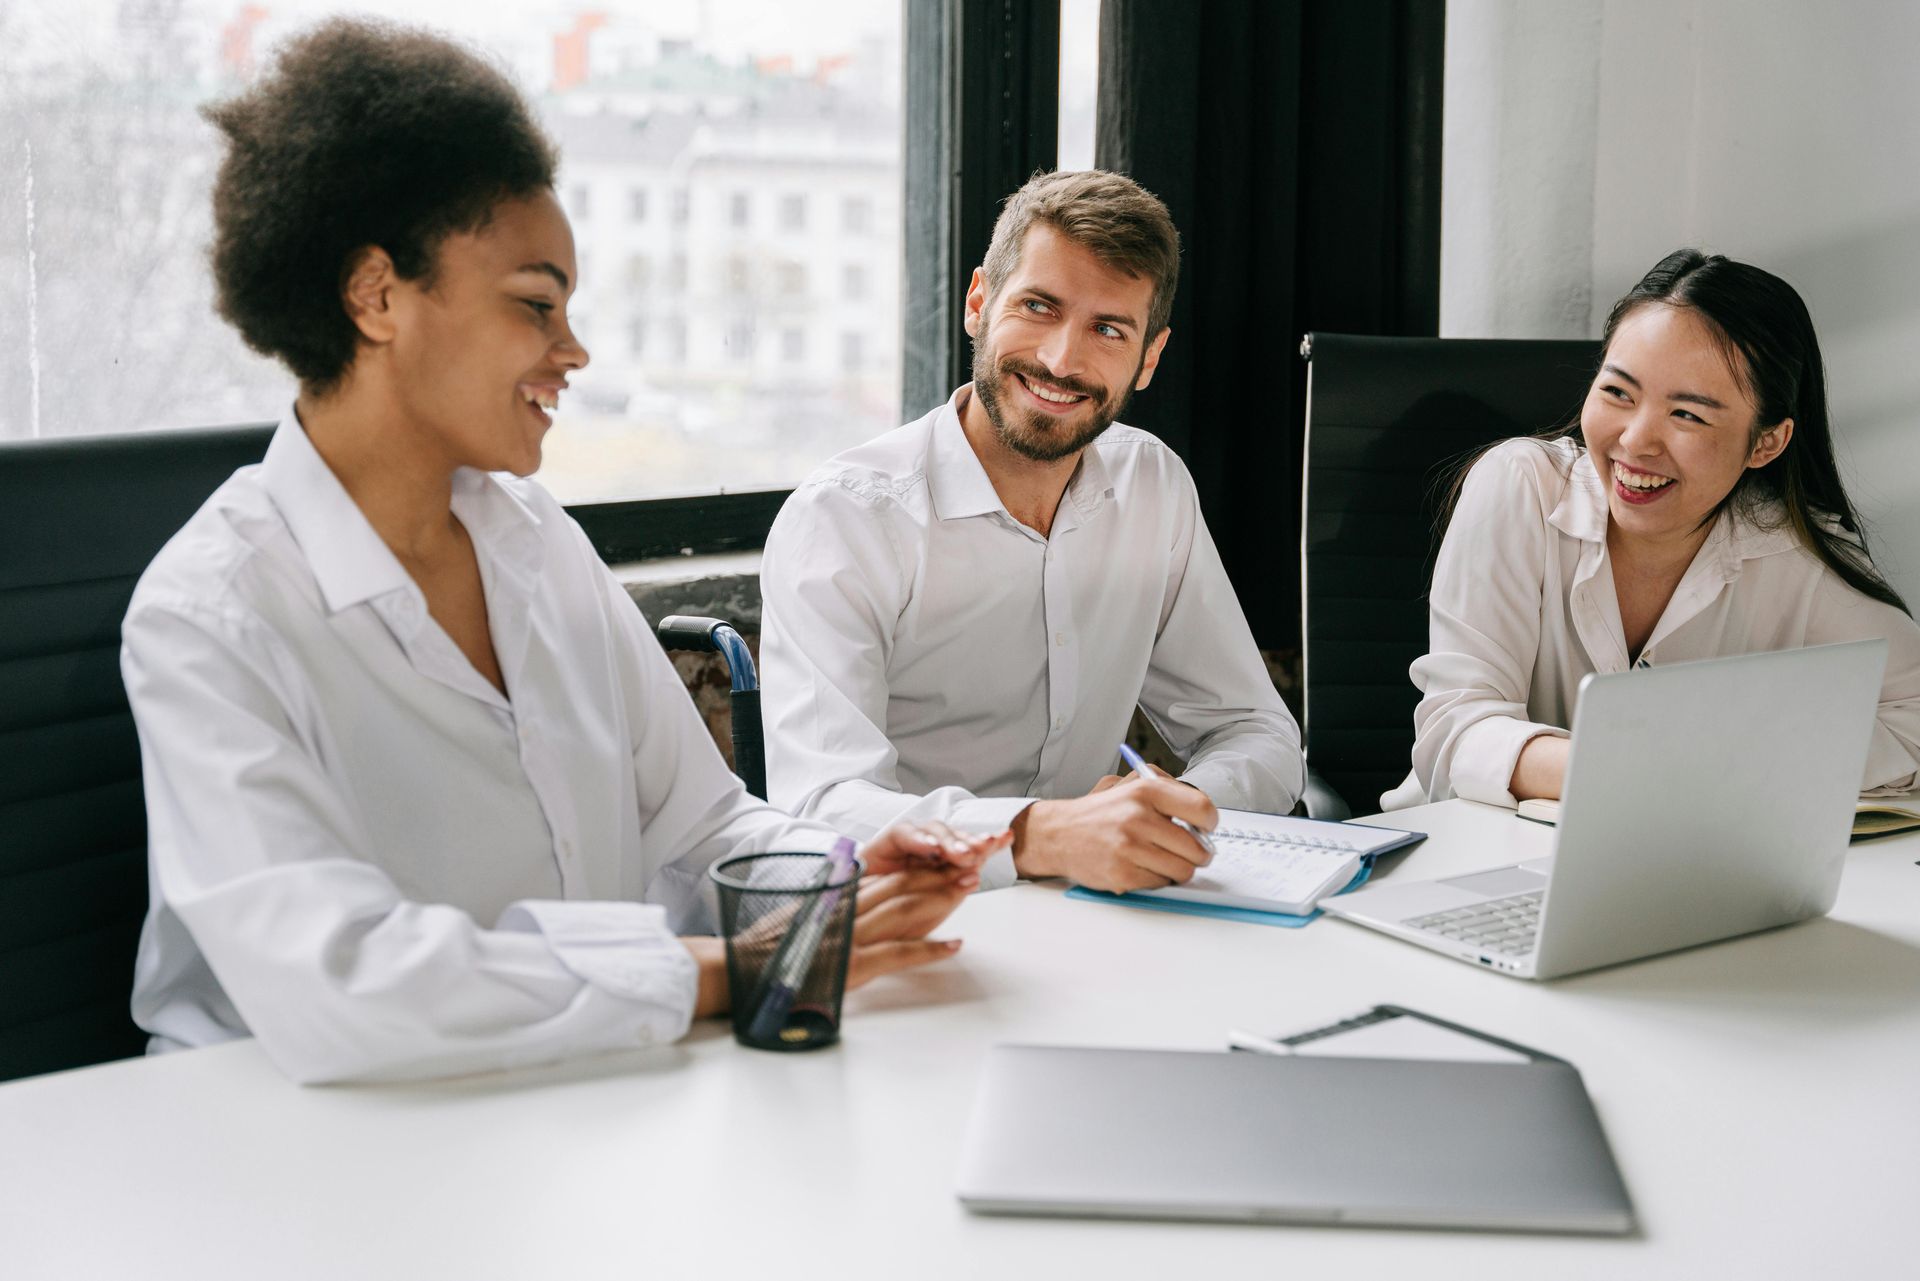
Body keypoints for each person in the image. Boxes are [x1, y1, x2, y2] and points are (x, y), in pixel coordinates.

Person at [121, 18, 1006, 1085]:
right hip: (291, 1142)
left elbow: (705, 824)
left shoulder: (537, 542)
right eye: (535, 304)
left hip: (562, 1095)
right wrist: (723, 971)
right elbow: (344, 985)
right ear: (377, 295)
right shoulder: (211, 615)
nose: (573, 350)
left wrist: (840, 876)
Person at [758, 170, 1303, 895]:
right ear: (979, 303)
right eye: (1038, 307)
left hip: (1100, 913)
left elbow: (1258, 734)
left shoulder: (1153, 487)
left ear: (1150, 358)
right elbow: (823, 808)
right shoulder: (845, 520)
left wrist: (1172, 817)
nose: (1061, 360)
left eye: (1108, 329)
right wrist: (1037, 836)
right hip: (915, 918)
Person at [1385, 249, 1920, 811]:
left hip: (1678, 872)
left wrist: (1747, 761)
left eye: (1687, 414)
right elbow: (1457, 732)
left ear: (1766, 442)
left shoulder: (1792, 549)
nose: (1636, 441)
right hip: (1470, 854)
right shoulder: (1521, 486)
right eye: (1618, 393)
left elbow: (1910, 715)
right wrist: (1657, 770)